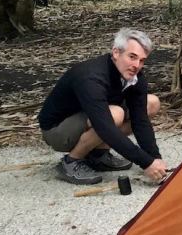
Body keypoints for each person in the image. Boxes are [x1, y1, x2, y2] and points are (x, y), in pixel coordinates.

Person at [38, 28, 167, 186]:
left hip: (91, 118)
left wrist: (155, 159)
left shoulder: (135, 77)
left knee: (151, 103)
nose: (136, 65)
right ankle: (71, 161)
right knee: (116, 114)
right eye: (132, 57)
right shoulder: (91, 77)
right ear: (116, 53)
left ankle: (98, 156)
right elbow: (105, 127)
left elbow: (140, 120)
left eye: (141, 60)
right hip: (57, 130)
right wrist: (145, 163)